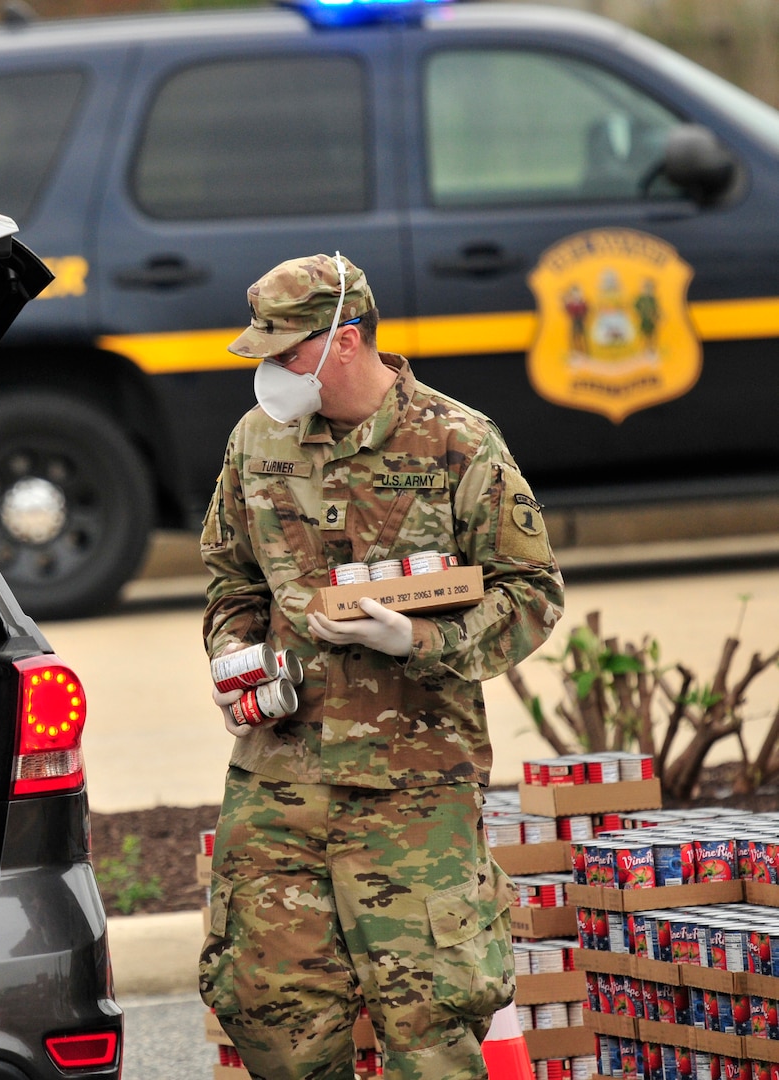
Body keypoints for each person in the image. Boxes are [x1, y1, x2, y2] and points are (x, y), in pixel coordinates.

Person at [197, 255, 564, 1079]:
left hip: (415, 783)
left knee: (431, 1019)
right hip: (281, 767)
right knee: (266, 1007)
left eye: (285, 353)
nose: (269, 372)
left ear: (346, 341)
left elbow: (531, 594)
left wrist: (422, 642)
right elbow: (231, 575)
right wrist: (235, 659)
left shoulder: (457, 441)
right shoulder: (256, 442)